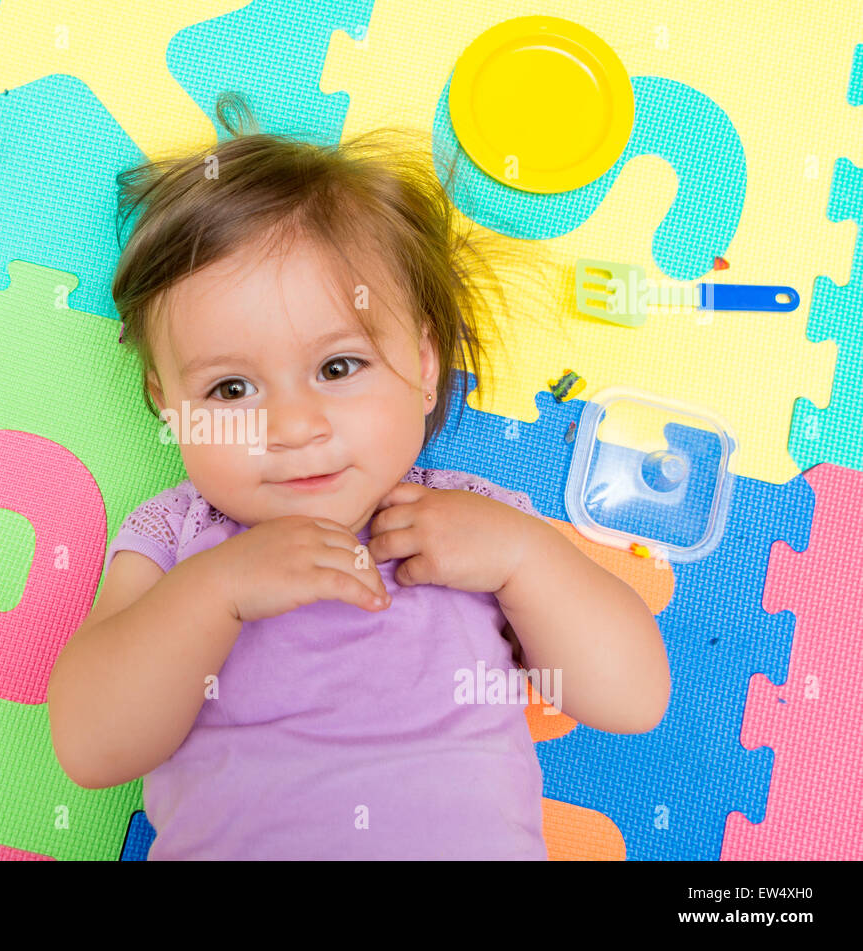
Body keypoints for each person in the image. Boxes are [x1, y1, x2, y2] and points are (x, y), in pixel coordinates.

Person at [47, 91, 670, 860]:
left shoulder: (474, 522)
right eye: (230, 389)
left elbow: (633, 698)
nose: (295, 426)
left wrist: (525, 559)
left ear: (423, 362)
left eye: (338, 366)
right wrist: (214, 591)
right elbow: (92, 747)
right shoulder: (177, 538)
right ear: (166, 403)